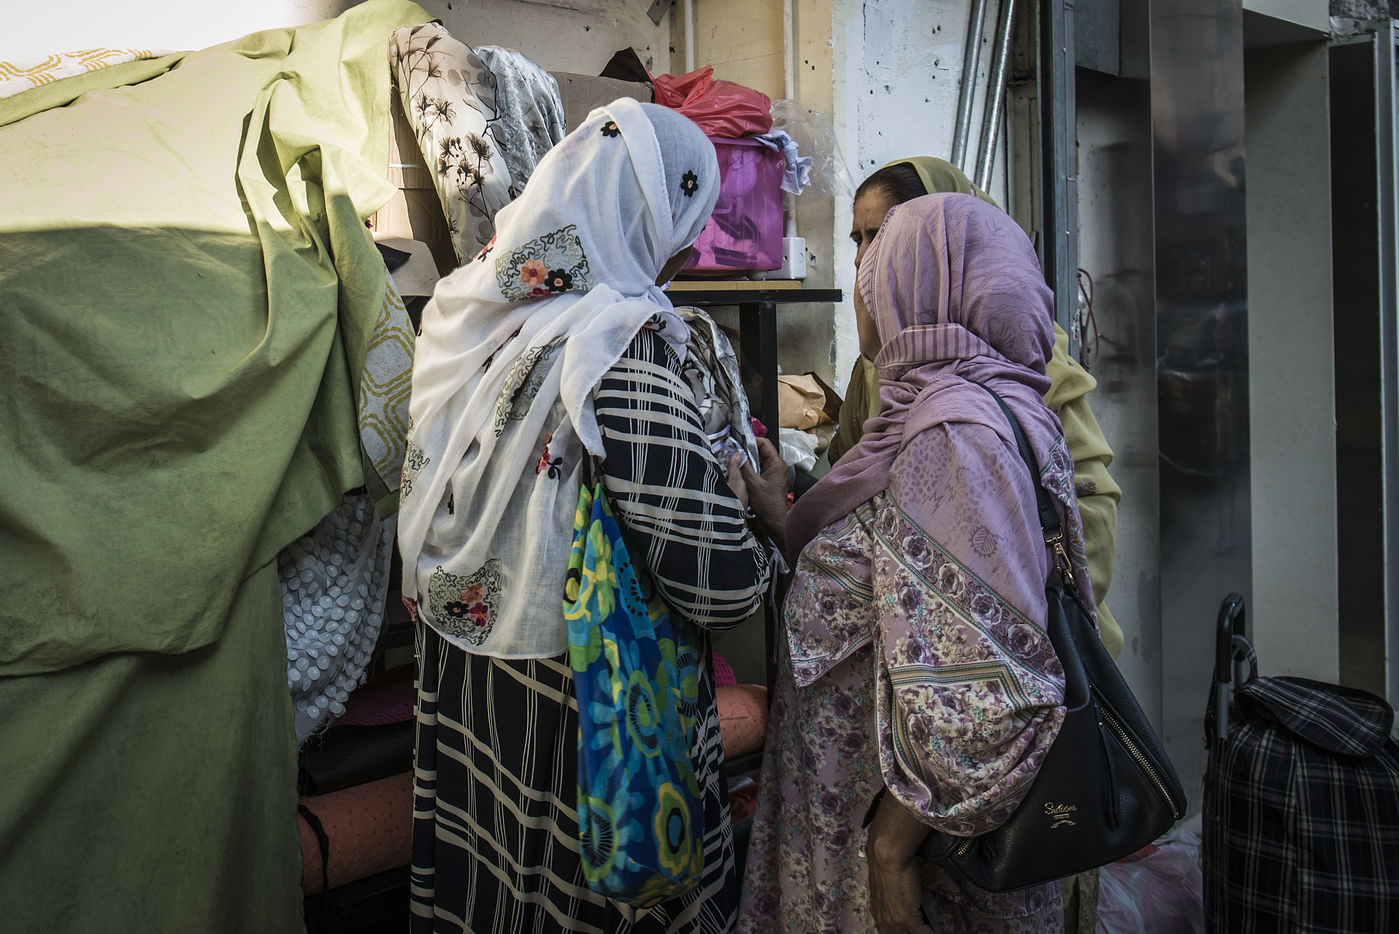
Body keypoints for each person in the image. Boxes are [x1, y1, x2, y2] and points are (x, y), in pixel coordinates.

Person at [397, 99, 772, 933]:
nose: (684, 253)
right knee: (572, 892)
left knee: (492, 883)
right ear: (658, 221)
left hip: (469, 669)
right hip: (581, 701)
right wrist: (758, 519)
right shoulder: (619, 346)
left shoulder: (468, 317)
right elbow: (716, 585)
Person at [733, 193, 1095, 933]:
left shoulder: (951, 434)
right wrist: (781, 520)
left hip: (915, 848)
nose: (863, 273)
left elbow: (987, 688)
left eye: (882, 255)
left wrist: (890, 851)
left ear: (924, 287)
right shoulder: (974, 406)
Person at [832, 157, 1122, 661]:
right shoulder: (883, 360)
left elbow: (1085, 506)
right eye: (856, 239)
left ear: (938, 245)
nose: (862, 260)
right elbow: (850, 470)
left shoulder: (1019, 352)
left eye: (878, 237)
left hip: (1021, 658)